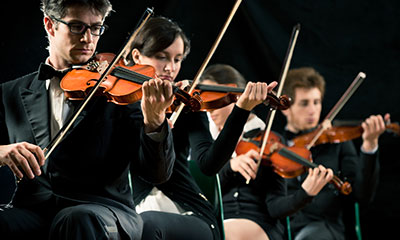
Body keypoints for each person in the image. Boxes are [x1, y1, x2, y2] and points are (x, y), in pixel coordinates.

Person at [0, 1, 176, 239]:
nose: (88, 39)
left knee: (76, 219)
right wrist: (2, 152)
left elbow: (156, 174)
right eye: (76, 27)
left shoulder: (120, 88)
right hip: (34, 209)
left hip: (103, 210)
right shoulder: (10, 92)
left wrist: (154, 123)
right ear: (50, 25)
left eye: (96, 28)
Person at [128, 16, 278, 240]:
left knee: (147, 225)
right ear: (137, 56)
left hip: (187, 212)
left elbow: (209, 164)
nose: (171, 68)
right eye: (161, 57)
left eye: (178, 59)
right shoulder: (119, 105)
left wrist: (241, 110)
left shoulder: (186, 106)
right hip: (133, 208)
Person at [203, 64, 334, 240]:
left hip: (257, 223)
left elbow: (275, 207)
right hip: (217, 220)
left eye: (217, 99)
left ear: (238, 98)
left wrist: (304, 194)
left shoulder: (269, 141)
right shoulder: (206, 142)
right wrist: (230, 166)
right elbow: (200, 192)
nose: (210, 107)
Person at [279, 67, 389, 240]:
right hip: (281, 230)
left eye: (317, 102)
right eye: (304, 103)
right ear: (285, 108)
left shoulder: (337, 143)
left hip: (322, 227)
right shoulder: (275, 145)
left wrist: (369, 146)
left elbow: (361, 195)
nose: (312, 110)